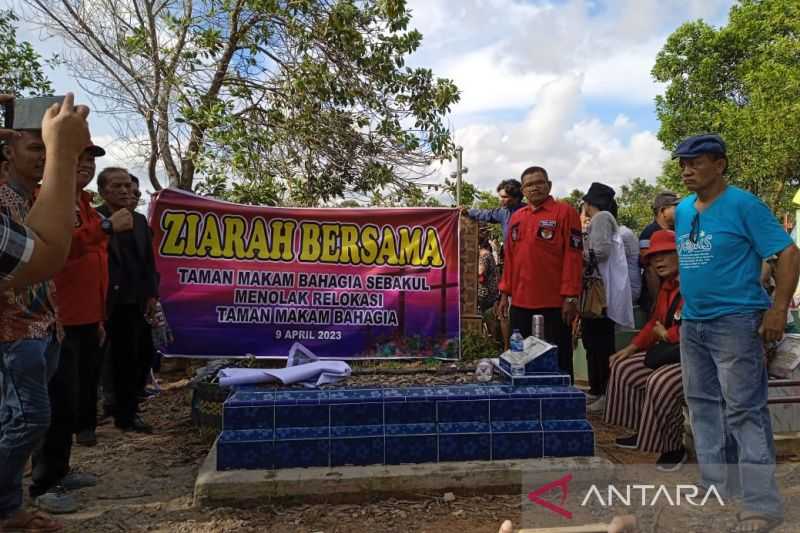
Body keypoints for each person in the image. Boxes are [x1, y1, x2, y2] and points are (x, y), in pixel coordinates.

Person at [674, 133, 800, 533]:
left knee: (744, 409)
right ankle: (715, 486)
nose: (687, 170)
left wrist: (778, 308)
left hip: (736, 320)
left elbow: (788, 253)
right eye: (683, 163)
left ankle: (762, 503)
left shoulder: (744, 204)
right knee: (702, 405)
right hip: (693, 321)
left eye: (696, 162)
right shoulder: (682, 210)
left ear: (720, 164)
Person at [0, 94, 91, 533]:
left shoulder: (31, 196)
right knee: (28, 419)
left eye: (47, 147)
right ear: (7, 149)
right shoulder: (3, 197)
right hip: (13, 334)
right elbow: (44, 254)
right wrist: (64, 155)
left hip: (42, 326)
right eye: (36, 148)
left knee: (24, 419)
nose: (44, 156)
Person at [29, 140, 114, 513]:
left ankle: (60, 471)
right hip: (55, 320)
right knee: (52, 405)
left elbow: (93, 259)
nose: (85, 165)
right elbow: (59, 249)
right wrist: (107, 226)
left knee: (72, 401)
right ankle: (42, 485)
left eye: (90, 160)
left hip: (84, 318)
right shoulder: (45, 199)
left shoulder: (82, 201)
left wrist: (98, 317)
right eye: (77, 158)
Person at [603, 230, 687, 471]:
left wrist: (667, 335)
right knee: (623, 367)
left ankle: (672, 447)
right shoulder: (667, 286)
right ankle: (643, 431)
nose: (658, 261)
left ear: (681, 254)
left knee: (660, 382)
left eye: (666, 254)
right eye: (653, 257)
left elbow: (701, 327)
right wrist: (630, 349)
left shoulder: (695, 283)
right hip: (674, 352)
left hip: (698, 356)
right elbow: (654, 323)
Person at [497, 166, 583, 380]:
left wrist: (570, 296)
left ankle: (563, 407)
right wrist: (504, 294)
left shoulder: (565, 213)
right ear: (523, 190)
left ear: (549, 185)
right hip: (520, 303)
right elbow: (510, 258)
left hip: (555, 304)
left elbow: (574, 257)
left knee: (559, 359)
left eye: (539, 182)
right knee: (522, 360)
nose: (534, 187)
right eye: (528, 184)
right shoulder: (517, 218)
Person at [97, 167, 159, 434]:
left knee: (135, 358)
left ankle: (127, 412)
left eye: (129, 187)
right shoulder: (94, 219)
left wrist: (151, 294)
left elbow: (147, 261)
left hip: (134, 301)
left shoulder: (140, 221)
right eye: (117, 186)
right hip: (101, 302)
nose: (125, 191)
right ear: (103, 191)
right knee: (98, 360)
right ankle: (91, 417)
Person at [581, 182, 634, 412]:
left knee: (598, 342)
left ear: (588, 203)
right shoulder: (606, 217)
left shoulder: (601, 217)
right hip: (605, 289)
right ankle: (598, 390)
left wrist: (576, 252)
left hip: (600, 292)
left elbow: (600, 252)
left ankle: (604, 392)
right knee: (595, 341)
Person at [639, 192, 680, 312]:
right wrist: (657, 302)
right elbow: (650, 271)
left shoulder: (677, 231)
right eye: (675, 207)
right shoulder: (649, 234)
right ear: (663, 211)